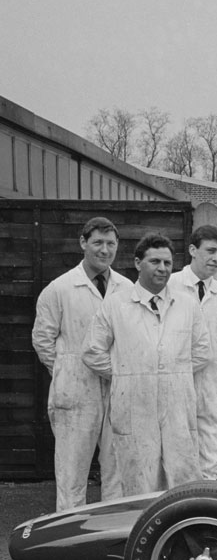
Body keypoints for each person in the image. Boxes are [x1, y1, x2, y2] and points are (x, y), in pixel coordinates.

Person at [82, 233, 211, 495]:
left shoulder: (187, 304)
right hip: (133, 406)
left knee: (183, 478)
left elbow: (202, 350)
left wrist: (172, 371)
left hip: (177, 405)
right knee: (138, 481)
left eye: (167, 262)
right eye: (155, 261)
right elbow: (92, 351)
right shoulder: (116, 304)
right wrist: (127, 374)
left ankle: (181, 535)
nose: (162, 268)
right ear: (138, 263)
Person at [32, 217, 130, 510]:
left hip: (117, 391)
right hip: (75, 392)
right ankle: (70, 542)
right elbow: (43, 341)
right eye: (98, 242)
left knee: (117, 471)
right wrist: (66, 370)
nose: (104, 250)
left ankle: (112, 536)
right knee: (72, 473)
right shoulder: (59, 289)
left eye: (110, 244)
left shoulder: (126, 288)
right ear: (83, 243)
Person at [169, 224, 217, 479]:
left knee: (212, 457)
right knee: (175, 458)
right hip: (174, 389)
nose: (216, 258)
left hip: (212, 391)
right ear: (193, 250)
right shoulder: (170, 286)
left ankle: (202, 515)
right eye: (210, 250)